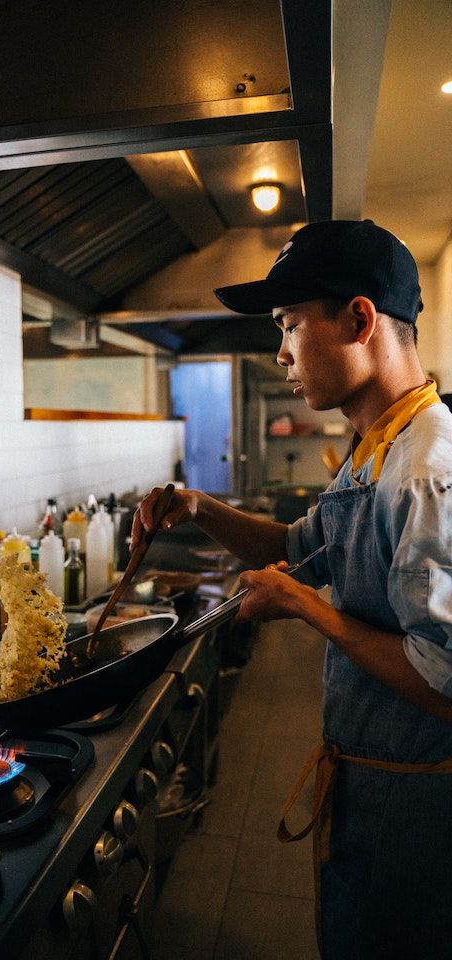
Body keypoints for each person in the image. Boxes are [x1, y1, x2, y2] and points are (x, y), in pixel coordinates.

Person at [131, 220, 452, 960]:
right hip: (371, 783)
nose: (280, 353)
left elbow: (446, 682)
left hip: (421, 809)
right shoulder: (378, 450)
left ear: (359, 319)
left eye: (289, 325)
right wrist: (200, 506)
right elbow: (300, 550)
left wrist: (307, 609)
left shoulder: (424, 472)